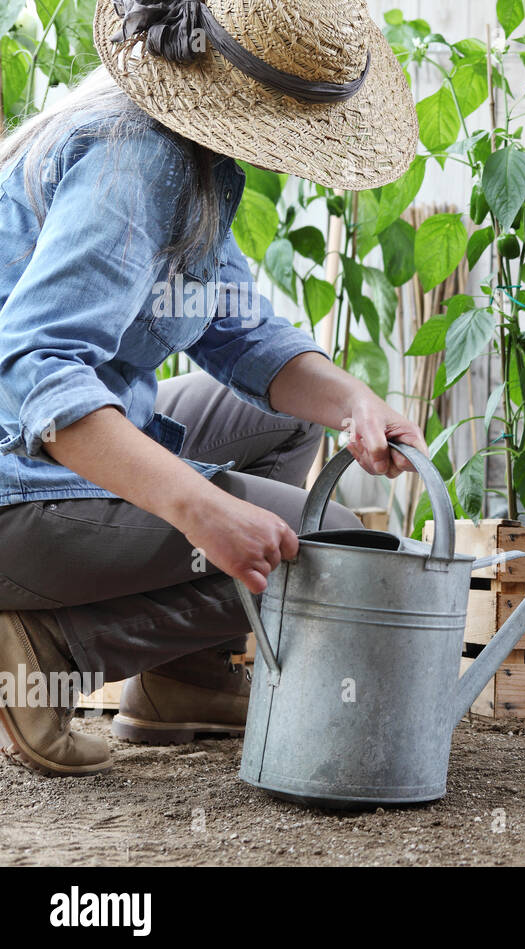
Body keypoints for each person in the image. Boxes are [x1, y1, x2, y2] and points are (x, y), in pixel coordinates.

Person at [0, 0, 423, 776]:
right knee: (336, 550)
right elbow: (36, 372)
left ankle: (184, 680)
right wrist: (204, 512)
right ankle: (50, 651)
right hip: (18, 483)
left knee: (291, 426)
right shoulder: (135, 158)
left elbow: (240, 333)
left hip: (38, 456)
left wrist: (355, 403)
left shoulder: (186, 159)